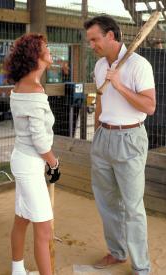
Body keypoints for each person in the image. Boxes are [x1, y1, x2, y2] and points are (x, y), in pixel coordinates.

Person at [84, 15, 156, 275]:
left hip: (130, 138)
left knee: (133, 207)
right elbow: (102, 99)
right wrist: (100, 128)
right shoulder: (100, 65)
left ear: (111, 36)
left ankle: (141, 267)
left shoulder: (139, 65)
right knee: (107, 202)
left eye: (95, 39)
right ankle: (117, 252)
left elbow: (149, 106)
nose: (92, 44)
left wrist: (120, 85)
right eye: (90, 40)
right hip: (104, 137)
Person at [4, 33, 60, 275]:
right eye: (45, 47)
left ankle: (18, 271)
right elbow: (39, 140)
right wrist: (54, 162)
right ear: (35, 55)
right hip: (29, 163)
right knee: (44, 229)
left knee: (22, 218)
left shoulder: (21, 85)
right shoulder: (35, 89)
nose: (49, 49)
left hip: (23, 159)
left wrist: (46, 161)